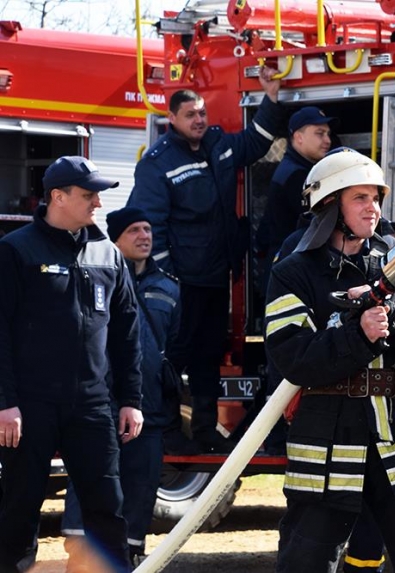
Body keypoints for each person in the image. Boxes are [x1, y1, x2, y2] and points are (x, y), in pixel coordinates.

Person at [265, 148, 395, 573]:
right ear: (328, 205)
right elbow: (292, 357)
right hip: (329, 438)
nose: (373, 208)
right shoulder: (294, 272)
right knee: (305, 565)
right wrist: (359, 335)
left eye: (376, 197)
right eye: (359, 197)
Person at [127, 66, 287, 453]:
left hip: (216, 279)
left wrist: (271, 98)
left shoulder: (219, 145)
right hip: (181, 284)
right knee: (168, 358)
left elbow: (255, 142)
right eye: (190, 115)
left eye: (202, 113)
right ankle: (162, 430)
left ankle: (203, 431)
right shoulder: (158, 162)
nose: (199, 120)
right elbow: (150, 224)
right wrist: (166, 280)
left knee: (208, 358)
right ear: (172, 119)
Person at [0, 156, 143, 573]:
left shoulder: (106, 253)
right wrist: (5, 402)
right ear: (57, 197)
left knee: (107, 506)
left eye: (98, 194)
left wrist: (130, 399)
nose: (98, 203)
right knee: (19, 506)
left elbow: (127, 334)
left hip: (92, 405)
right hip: (30, 405)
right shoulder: (16, 250)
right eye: (88, 194)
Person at [61, 207, 183, 569]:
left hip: (150, 411)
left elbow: (175, 345)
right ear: (115, 240)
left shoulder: (169, 287)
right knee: (91, 484)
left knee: (140, 490)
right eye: (134, 231)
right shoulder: (95, 278)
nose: (145, 236)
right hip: (99, 406)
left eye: (148, 229)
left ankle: (128, 557)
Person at [259, 105, 338, 268]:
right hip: (290, 265)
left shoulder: (297, 169)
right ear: (298, 137)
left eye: (328, 134)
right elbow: (316, 228)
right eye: (319, 133)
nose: (328, 140)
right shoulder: (297, 176)